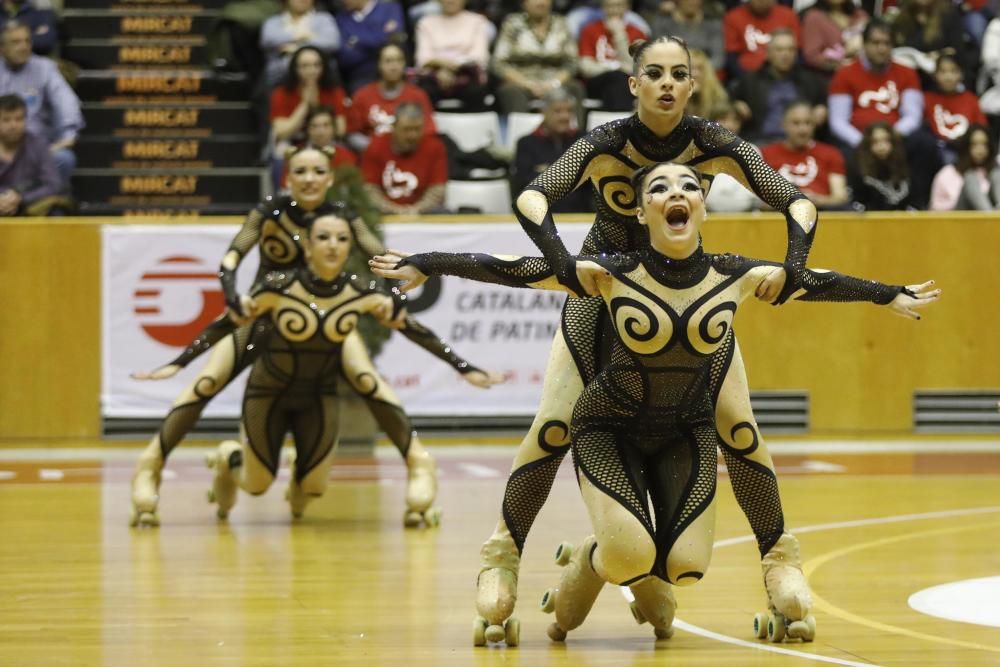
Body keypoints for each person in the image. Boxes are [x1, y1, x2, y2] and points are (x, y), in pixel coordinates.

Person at [371, 161, 938, 644]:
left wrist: (887, 294)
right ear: (641, 213)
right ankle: (558, 560)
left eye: (689, 186)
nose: (676, 195)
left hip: (685, 430)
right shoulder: (609, 273)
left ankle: (610, 553)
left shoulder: (735, 275)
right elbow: (514, 271)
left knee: (686, 567)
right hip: (608, 430)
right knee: (626, 556)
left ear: (705, 208)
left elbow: (816, 279)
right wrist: (427, 261)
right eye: (659, 189)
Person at [399, 34, 824, 647]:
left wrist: (796, 266)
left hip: (687, 293)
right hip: (603, 290)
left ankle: (779, 559)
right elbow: (533, 196)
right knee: (552, 425)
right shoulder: (606, 141)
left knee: (738, 426)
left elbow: (798, 202)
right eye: (654, 73)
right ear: (633, 84)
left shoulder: (714, 143)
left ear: (693, 82)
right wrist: (564, 264)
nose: (669, 85)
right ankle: (502, 557)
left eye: (680, 73)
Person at [128, 146, 499, 528]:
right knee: (208, 381)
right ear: (288, 177)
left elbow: (379, 254)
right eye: (300, 171)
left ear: (329, 178)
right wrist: (230, 299)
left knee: (366, 377)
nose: (309, 179)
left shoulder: (341, 219)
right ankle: (151, 463)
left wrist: (397, 289)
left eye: (317, 171)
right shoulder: (270, 211)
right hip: (262, 312)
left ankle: (418, 462)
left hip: (327, 313)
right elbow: (234, 254)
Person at [206, 207, 408, 521]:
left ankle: (302, 474)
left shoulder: (360, 291)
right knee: (257, 485)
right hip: (269, 391)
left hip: (318, 394)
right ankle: (229, 458)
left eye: (342, 238)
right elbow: (229, 327)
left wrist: (463, 367)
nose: (332, 245)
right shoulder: (278, 285)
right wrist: (180, 364)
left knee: (313, 488)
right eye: (323, 237)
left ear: (350, 246)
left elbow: (415, 327)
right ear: (306, 246)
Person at [828, 19, 940, 208]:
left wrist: (890, 139)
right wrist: (867, 142)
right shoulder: (845, 74)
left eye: (886, 43)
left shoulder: (906, 73)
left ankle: (917, 205)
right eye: (875, 43)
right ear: (864, 44)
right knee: (840, 154)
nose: (881, 49)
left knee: (926, 144)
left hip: (897, 136)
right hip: (860, 139)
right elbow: (838, 121)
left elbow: (913, 115)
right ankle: (858, 206)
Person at [0, 21, 82, 191]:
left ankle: (46, 205)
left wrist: (67, 136)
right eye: (16, 42)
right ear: (2, 48)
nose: (23, 47)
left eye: (27, 41)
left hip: (36, 150)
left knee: (64, 159)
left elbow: (66, 102)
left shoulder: (45, 68)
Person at [730, 29, 828, 145]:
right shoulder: (751, 81)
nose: (785, 54)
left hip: (801, 143)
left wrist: (822, 108)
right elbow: (729, 99)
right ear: (768, 53)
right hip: (761, 142)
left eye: (790, 49)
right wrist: (736, 105)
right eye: (779, 50)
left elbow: (823, 101)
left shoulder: (810, 80)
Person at [269, 46, 349, 186]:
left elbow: (340, 129)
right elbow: (281, 133)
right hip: (293, 142)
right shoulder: (281, 93)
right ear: (295, 68)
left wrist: (317, 109)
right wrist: (305, 104)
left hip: (326, 141)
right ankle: (283, 202)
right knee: (280, 158)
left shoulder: (334, 91)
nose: (311, 70)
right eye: (304, 66)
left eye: (316, 65)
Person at [491, 0, 585, 118]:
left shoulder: (561, 23)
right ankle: (520, 135)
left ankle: (578, 135)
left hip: (555, 79)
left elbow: (572, 63)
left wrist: (553, 84)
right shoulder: (512, 23)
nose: (541, 3)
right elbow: (499, 63)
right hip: (520, 80)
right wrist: (527, 84)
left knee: (575, 88)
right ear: (523, 3)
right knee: (511, 92)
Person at [345, 42, 437, 154]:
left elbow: (429, 132)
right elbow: (353, 134)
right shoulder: (362, 96)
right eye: (388, 61)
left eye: (399, 60)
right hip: (373, 157)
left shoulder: (418, 95)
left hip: (410, 156)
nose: (394, 66)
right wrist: (379, 149)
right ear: (378, 65)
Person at [511, 89, 592, 213]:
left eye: (569, 111)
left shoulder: (584, 140)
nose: (565, 116)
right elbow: (523, 184)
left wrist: (546, 171)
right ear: (544, 112)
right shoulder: (526, 143)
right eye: (558, 111)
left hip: (579, 216)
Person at [360, 102, 448, 214]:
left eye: (417, 129)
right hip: (383, 213)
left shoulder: (435, 147)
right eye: (407, 129)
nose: (412, 135)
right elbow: (369, 189)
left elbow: (438, 189)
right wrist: (394, 210)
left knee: (442, 211)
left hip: (424, 212)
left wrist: (416, 210)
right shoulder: (375, 147)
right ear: (394, 127)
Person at [761, 101, 849, 210]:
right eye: (796, 123)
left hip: (821, 215)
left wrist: (815, 200)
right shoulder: (765, 153)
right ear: (783, 125)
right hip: (776, 217)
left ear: (814, 125)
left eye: (808, 123)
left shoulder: (831, 154)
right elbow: (757, 200)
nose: (803, 129)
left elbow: (840, 197)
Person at [413, 0, 493, 111]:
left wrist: (450, 68)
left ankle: (473, 127)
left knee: (476, 91)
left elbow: (479, 56)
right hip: (434, 75)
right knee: (424, 91)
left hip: (467, 74)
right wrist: (441, 69)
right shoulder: (426, 23)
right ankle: (430, 127)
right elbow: (423, 58)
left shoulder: (478, 21)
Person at [0, 92, 64, 215]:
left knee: (56, 208)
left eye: (18, 119)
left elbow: (53, 184)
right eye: (6, 120)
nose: (13, 125)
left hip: (30, 207)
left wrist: (20, 197)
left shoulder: (38, 145)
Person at [578, 0, 648, 111]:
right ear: (603, 8)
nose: (614, 10)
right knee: (617, 78)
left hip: (626, 83)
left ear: (627, 7)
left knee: (621, 81)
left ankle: (616, 122)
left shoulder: (637, 33)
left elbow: (634, 68)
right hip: (597, 82)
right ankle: (623, 123)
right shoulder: (590, 30)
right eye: (609, 6)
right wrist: (615, 67)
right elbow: (586, 67)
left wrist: (619, 34)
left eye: (619, 6)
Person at [259, 0, 340, 87]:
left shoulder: (324, 18)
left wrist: (297, 48)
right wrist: (302, 36)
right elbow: (268, 39)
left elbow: (332, 42)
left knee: (317, 67)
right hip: (279, 72)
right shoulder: (273, 21)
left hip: (320, 72)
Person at [334, 0, 405, 92]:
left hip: (393, 72)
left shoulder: (390, 8)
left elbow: (395, 39)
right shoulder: (341, 19)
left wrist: (356, 41)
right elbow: (345, 57)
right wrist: (381, 35)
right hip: (359, 77)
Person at [722, 0, 800, 79]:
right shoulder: (733, 17)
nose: (762, 1)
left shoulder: (788, 15)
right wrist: (747, 81)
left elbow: (797, 52)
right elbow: (731, 57)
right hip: (745, 77)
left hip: (784, 76)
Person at [847, 121, 916, 210]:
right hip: (870, 220)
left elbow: (915, 201)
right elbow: (856, 202)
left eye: (886, 141)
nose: (881, 147)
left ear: (893, 142)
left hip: (903, 220)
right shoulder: (857, 168)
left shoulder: (906, 163)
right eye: (875, 142)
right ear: (867, 145)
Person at [929, 124, 1000, 210]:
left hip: (990, 213)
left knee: (997, 174)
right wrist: (970, 198)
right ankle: (991, 219)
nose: (980, 150)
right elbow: (934, 208)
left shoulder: (992, 170)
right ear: (966, 147)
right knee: (970, 178)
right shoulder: (947, 174)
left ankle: (993, 219)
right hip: (959, 218)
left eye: (984, 145)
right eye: (974, 145)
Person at [922, 54, 987, 145]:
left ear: (961, 74)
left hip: (966, 150)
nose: (948, 77)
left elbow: (981, 129)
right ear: (935, 75)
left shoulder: (970, 99)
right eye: (943, 71)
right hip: (937, 150)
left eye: (954, 71)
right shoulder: (927, 99)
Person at [650, 0, 725, 75]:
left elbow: (718, 58)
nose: (691, 2)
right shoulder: (663, 23)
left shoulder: (712, 23)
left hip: (704, 75)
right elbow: (659, 55)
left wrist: (698, 70)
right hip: (672, 74)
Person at [800, 0, 868, 76]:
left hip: (863, 73)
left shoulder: (859, 15)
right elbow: (812, 56)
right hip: (828, 77)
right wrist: (839, 64)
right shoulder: (814, 18)